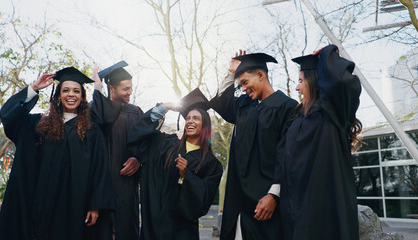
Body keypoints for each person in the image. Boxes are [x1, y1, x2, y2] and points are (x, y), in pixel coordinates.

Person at [0, 67, 115, 240]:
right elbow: (9, 117)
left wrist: (95, 205)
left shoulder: (91, 130)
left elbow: (99, 168)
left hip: (76, 204)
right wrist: (33, 88)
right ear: (58, 95)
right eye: (65, 90)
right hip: (42, 203)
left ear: (82, 97)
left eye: (76, 91)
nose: (71, 94)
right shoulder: (40, 125)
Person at [210, 51, 298, 240]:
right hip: (239, 201)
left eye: (245, 82)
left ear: (260, 75)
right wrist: (231, 73)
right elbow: (219, 101)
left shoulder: (288, 107)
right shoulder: (244, 106)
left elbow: (289, 155)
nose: (242, 89)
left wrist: (274, 194)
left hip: (265, 202)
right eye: (239, 84)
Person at [279, 44, 362, 240]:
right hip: (297, 210)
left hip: (325, 212)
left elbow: (342, 82)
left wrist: (326, 54)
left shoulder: (331, 112)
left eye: (301, 81)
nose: (297, 87)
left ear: (315, 81)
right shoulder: (298, 118)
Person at [127, 88, 223, 240]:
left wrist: (187, 176)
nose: (191, 121)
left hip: (182, 232)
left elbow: (203, 204)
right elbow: (138, 135)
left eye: (196, 118)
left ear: (205, 125)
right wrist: (163, 107)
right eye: (189, 118)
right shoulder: (166, 145)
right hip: (154, 226)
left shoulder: (211, 164)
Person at [90, 61, 143, 240]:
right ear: (111, 88)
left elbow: (147, 144)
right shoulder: (95, 112)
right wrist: (97, 87)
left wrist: (138, 159)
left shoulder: (135, 113)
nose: (130, 92)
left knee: (127, 230)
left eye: (131, 88)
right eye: (125, 89)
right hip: (101, 185)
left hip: (126, 186)